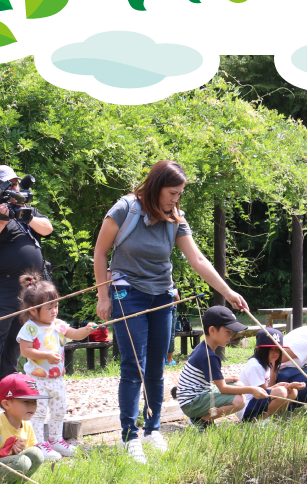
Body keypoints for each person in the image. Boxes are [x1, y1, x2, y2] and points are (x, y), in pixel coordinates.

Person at [93, 160, 249, 462]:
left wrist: (228, 292)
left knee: (156, 366)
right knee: (133, 365)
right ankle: (130, 435)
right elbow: (100, 252)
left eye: (180, 194)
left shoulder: (175, 218)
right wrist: (103, 295)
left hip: (163, 296)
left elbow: (198, 260)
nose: (176, 199)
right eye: (172, 193)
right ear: (156, 186)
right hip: (128, 294)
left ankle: (153, 430)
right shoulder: (125, 209)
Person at [0, 164, 54, 393]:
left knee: (19, 334)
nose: (15, 187)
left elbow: (47, 228)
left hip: (28, 289)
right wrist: (0, 220)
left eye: (15, 183)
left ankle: (9, 376)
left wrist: (25, 215)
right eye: (10, 183)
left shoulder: (26, 210)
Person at [15, 271, 98, 460]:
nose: (54, 311)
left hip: (57, 378)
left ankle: (55, 439)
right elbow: (25, 350)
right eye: (49, 308)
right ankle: (38, 443)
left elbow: (74, 334)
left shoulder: (58, 324)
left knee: (59, 410)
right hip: (36, 379)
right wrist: (45, 355)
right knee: (38, 411)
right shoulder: (30, 327)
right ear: (33, 310)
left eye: (56, 306)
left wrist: (86, 330)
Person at [175, 306, 268, 434]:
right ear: (212, 330)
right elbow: (223, 388)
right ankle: (201, 420)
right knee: (240, 401)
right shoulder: (210, 356)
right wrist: (252, 389)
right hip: (191, 403)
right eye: (228, 332)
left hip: (196, 395)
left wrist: (225, 380)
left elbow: (204, 378)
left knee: (238, 383)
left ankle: (202, 417)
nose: (230, 337)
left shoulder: (202, 347)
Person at [235, 328, 304, 423]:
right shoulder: (255, 365)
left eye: (278, 349)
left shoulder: (269, 364)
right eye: (271, 349)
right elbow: (262, 393)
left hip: (257, 403)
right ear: (259, 349)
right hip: (246, 409)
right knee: (281, 392)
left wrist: (288, 386)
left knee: (293, 391)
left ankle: (274, 418)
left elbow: (269, 388)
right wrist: (283, 387)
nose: (275, 353)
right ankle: (258, 422)